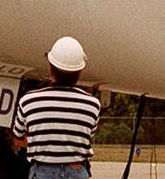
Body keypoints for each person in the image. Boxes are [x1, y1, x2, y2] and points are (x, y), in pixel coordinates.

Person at [12, 36, 101, 179]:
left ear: (51, 68)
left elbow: (17, 138)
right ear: (79, 72)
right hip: (76, 171)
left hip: (42, 172)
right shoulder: (92, 104)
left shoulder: (28, 100)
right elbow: (86, 137)